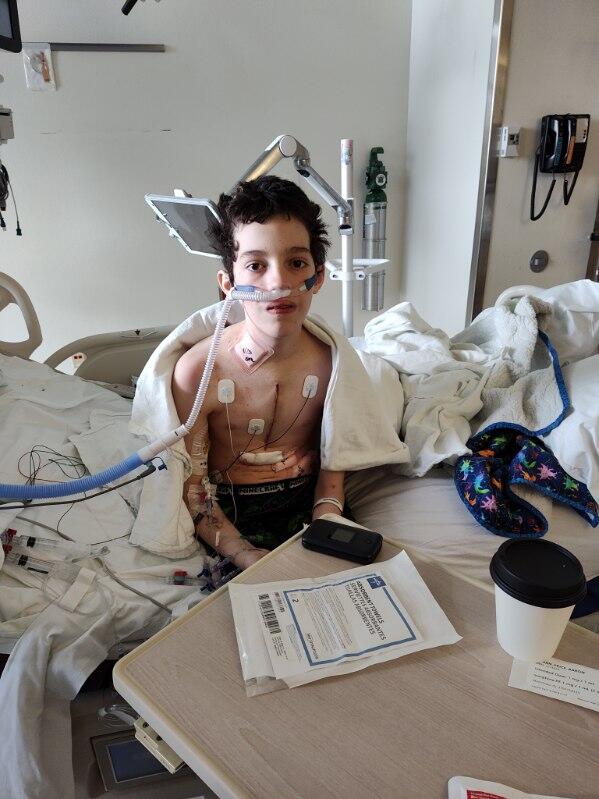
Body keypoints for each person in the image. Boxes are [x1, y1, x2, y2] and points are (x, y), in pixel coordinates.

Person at [172, 176, 345, 570]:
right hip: (226, 516)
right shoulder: (199, 372)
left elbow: (336, 465)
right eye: (256, 265)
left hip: (309, 506)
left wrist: (327, 526)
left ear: (318, 277)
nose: (279, 282)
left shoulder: (333, 364)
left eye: (296, 263)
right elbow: (193, 488)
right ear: (229, 285)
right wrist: (240, 551)